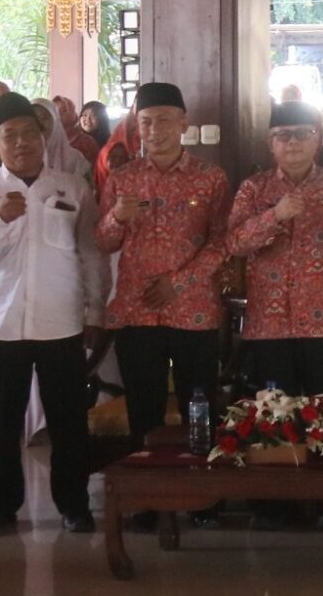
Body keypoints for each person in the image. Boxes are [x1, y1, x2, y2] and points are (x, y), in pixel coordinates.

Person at [0, 93, 107, 537]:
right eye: (9, 136)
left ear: (45, 137)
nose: (21, 144)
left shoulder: (71, 187)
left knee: (69, 423)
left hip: (61, 323)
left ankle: (74, 505)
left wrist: (96, 310)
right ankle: (0, 507)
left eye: (29, 134)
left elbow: (91, 255)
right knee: (1, 424)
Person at [95, 84, 230, 473]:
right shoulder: (123, 178)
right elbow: (102, 242)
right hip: (136, 312)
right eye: (146, 122)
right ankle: (147, 494)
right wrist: (117, 216)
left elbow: (223, 243)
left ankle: (202, 492)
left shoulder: (211, 178)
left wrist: (181, 282)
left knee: (199, 405)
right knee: (143, 406)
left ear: (183, 123)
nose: (155, 130)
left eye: (164, 121)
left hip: (193, 310)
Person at [228, 101, 323, 401]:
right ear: (271, 143)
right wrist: (274, 217)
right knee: (277, 415)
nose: (292, 142)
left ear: (318, 138)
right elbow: (235, 243)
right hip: (269, 323)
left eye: (302, 134)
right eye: (283, 135)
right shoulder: (253, 189)